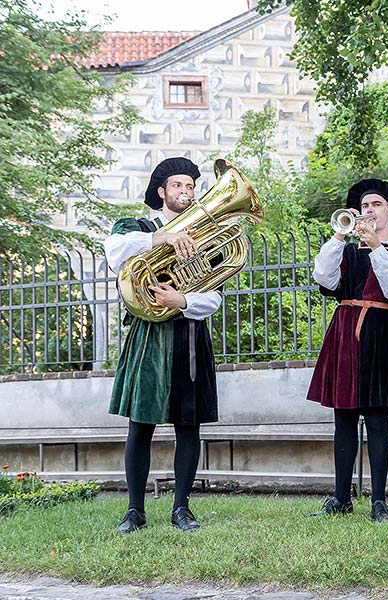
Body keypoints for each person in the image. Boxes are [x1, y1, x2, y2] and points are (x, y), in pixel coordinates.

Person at [104, 157, 222, 533]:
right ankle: (134, 510)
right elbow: (113, 253)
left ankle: (182, 508)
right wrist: (162, 238)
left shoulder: (207, 236)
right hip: (148, 337)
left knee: (189, 427)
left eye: (190, 186)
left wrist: (183, 301)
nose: (185, 192)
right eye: (177, 186)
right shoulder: (137, 228)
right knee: (140, 425)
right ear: (162, 192)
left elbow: (215, 297)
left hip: (188, 334)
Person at [307, 179, 388, 521]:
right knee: (342, 419)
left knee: (377, 420)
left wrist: (376, 248)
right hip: (345, 332)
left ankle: (378, 501)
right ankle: (340, 498)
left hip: (381, 334)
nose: (368, 210)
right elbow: (324, 280)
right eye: (364, 206)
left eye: (375, 205)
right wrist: (340, 236)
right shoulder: (346, 249)